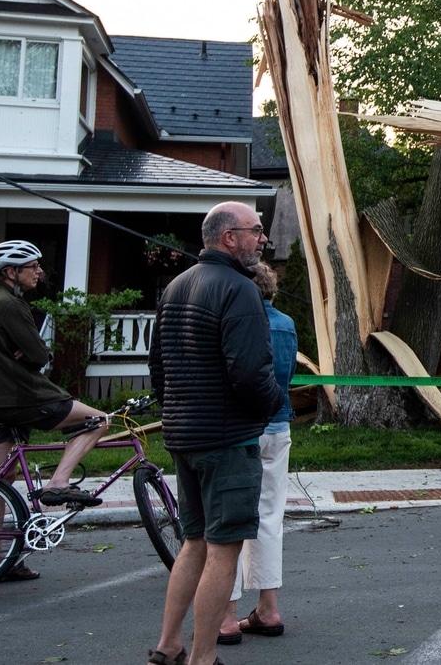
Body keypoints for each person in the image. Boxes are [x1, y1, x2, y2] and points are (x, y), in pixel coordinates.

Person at [147, 203, 285, 665]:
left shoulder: (176, 286)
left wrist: (178, 413)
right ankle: (203, 658)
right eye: (256, 231)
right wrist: (270, 405)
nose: (262, 239)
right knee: (224, 549)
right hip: (227, 440)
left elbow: (158, 368)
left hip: (184, 436)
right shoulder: (240, 290)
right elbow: (250, 372)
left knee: (194, 542)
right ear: (230, 238)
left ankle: (169, 645)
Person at [0, 239, 108, 581]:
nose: (39, 272)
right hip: (21, 397)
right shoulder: (10, 305)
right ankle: (58, 484)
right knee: (98, 421)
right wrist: (32, 351)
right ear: (11, 272)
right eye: (33, 267)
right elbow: (38, 355)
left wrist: (28, 350)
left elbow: (29, 351)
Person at [218, 265, 296, 645]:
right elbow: (286, 376)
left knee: (228, 521)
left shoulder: (233, 321)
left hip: (238, 428)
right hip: (278, 425)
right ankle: (269, 607)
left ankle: (227, 615)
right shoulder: (286, 324)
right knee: (269, 517)